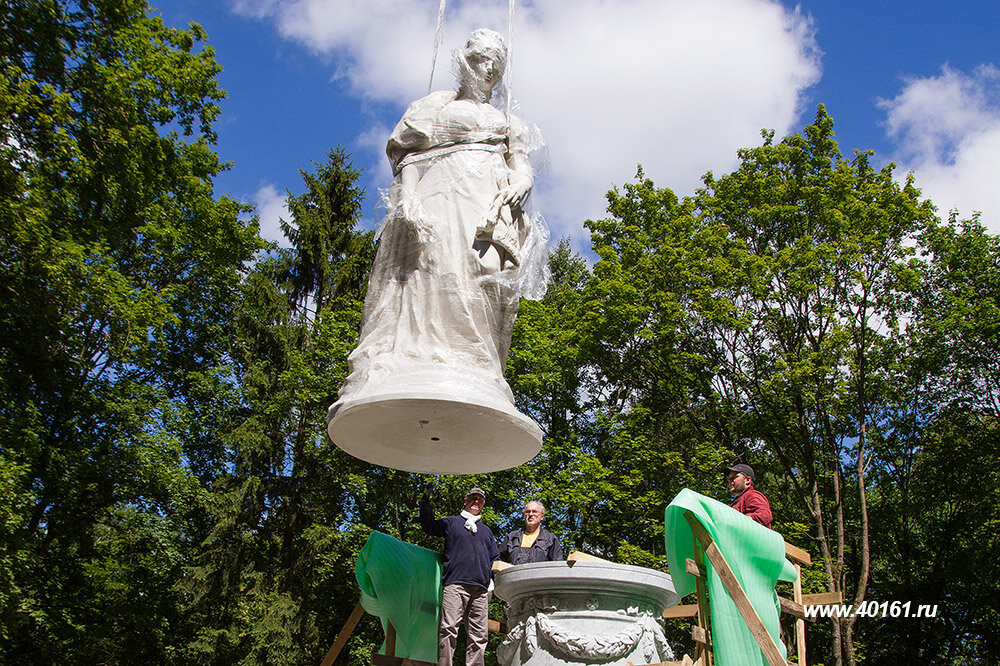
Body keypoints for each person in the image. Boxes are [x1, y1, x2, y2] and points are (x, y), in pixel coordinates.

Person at [336, 27, 540, 410]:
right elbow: (409, 158)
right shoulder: (433, 106)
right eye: (481, 60)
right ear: (465, 60)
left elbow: (523, 166)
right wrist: (409, 198)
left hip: (487, 204)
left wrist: (520, 182)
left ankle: (477, 364)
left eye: (495, 65)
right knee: (433, 266)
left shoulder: (509, 121)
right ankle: (422, 355)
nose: (487, 70)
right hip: (440, 195)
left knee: (483, 274)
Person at [420, 487, 500, 666]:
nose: (476, 501)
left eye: (480, 499)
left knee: (479, 636)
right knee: (448, 629)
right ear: (465, 501)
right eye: (473, 498)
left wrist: (494, 580)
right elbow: (428, 526)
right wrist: (426, 500)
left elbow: (495, 558)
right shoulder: (452, 523)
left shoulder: (486, 532)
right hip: (455, 584)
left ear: (483, 504)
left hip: (481, 589)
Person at [499, 500, 564, 565]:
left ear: (542, 516)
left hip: (540, 575)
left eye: (534, 512)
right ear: (524, 516)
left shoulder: (550, 539)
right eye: (527, 512)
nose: (530, 514)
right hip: (514, 574)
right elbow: (499, 562)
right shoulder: (512, 538)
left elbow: (558, 565)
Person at [726, 463, 773, 529]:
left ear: (747, 480)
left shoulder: (751, 495)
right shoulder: (737, 501)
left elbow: (764, 515)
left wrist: (742, 521)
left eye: (735, 477)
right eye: (729, 478)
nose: (730, 481)